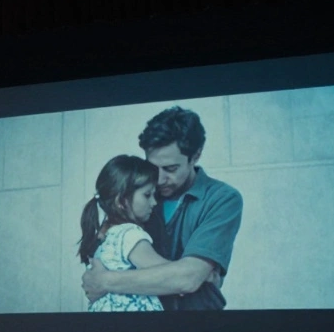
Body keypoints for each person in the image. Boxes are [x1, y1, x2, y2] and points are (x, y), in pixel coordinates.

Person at [82, 106, 243, 310]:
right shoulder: (136, 195)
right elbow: (102, 258)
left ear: (196, 156)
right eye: (153, 167)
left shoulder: (222, 198)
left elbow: (188, 279)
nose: (158, 179)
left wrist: (106, 281)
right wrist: (192, 275)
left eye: (170, 169)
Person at [78, 155, 165, 312]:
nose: (154, 202)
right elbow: (166, 275)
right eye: (147, 195)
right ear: (122, 201)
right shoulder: (130, 234)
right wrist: (202, 275)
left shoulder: (103, 238)